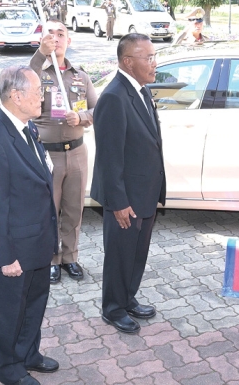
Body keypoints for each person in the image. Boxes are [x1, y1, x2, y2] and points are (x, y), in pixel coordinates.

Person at [0, 66, 60, 385]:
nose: (43, 97)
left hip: (37, 240)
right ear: (16, 96)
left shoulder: (26, 126)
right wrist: (5, 256)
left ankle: (27, 354)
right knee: (9, 313)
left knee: (35, 304)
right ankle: (9, 369)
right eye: (38, 92)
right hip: (14, 250)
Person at [91, 34, 166, 334]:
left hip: (144, 193)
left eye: (154, 56)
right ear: (127, 62)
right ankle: (113, 308)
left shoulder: (141, 90)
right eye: (148, 57)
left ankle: (127, 298)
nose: (154, 63)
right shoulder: (114, 97)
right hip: (126, 198)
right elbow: (109, 158)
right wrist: (119, 203)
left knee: (136, 255)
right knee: (120, 256)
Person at [29, 21, 97, 284]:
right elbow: (22, 82)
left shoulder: (80, 76)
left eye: (61, 34)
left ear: (69, 40)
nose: (56, 38)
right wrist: (40, 53)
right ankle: (51, 260)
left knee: (73, 210)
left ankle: (70, 257)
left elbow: (98, 109)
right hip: (48, 155)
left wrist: (81, 117)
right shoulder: (37, 72)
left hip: (77, 153)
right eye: (51, 34)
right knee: (49, 210)